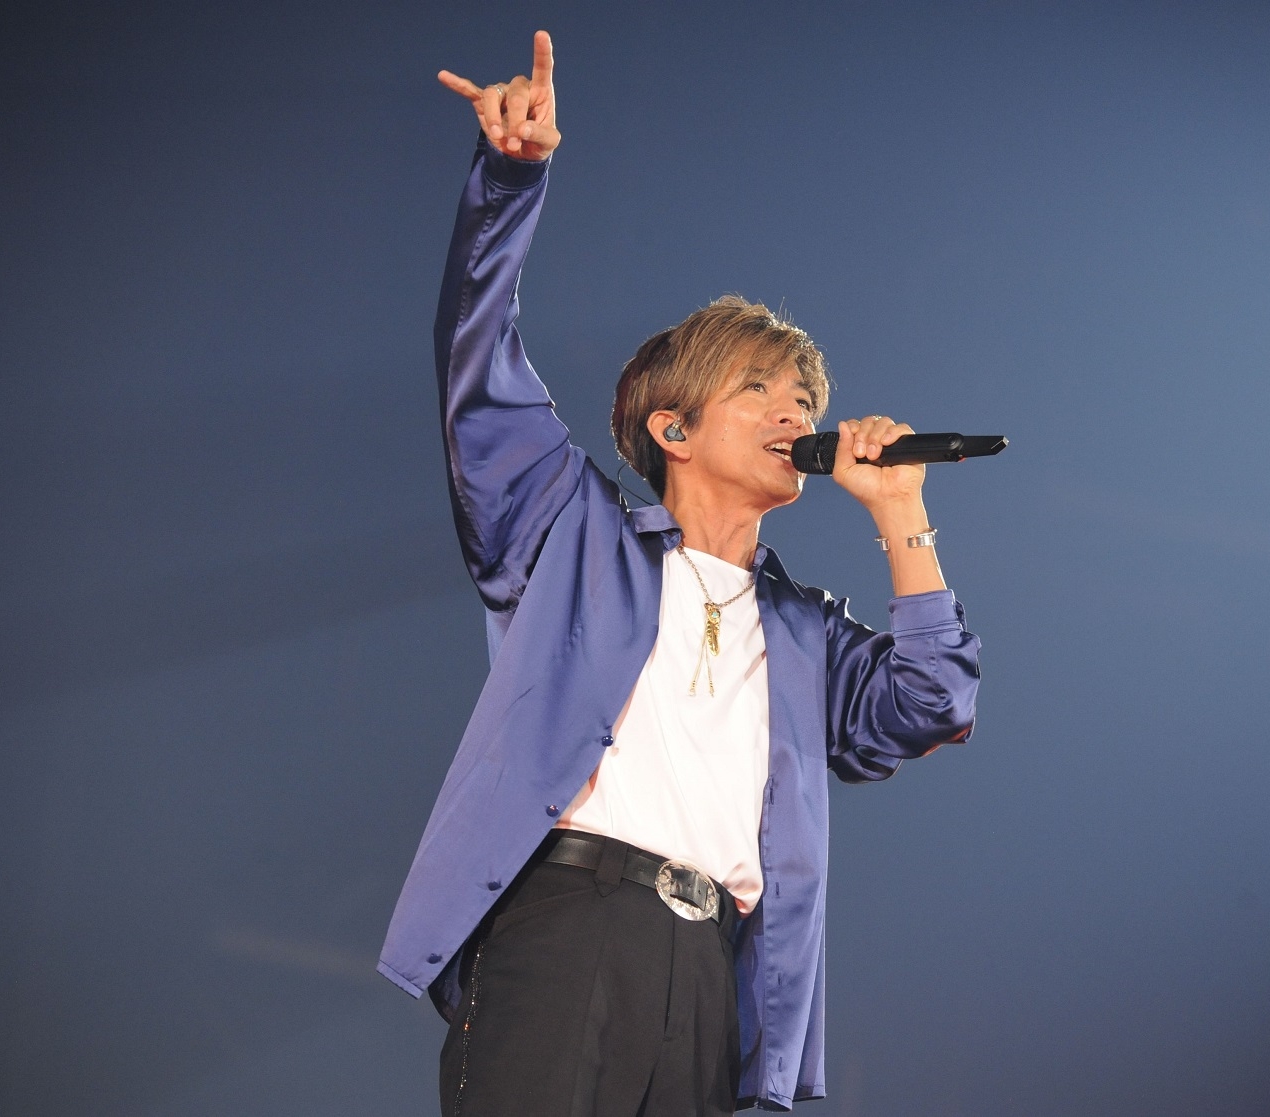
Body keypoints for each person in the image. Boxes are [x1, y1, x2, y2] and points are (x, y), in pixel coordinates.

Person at [378, 30, 982, 1116]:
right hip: (565, 933)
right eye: (761, 389)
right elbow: (477, 363)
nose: (797, 413)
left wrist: (902, 514)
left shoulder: (805, 634)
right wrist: (511, 178)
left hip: (714, 977)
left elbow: (933, 701)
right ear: (675, 426)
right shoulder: (570, 532)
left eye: (804, 397)